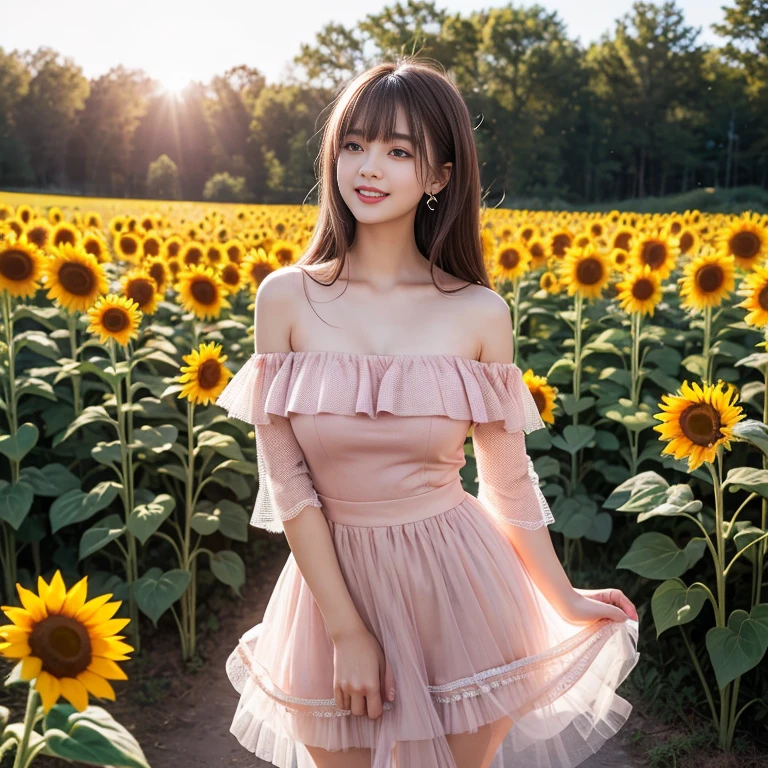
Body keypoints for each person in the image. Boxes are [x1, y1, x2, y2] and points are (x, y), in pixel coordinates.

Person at [217, 57, 640, 768]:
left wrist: (563, 598)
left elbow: (506, 484)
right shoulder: (285, 298)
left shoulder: (478, 312)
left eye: (398, 149)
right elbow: (289, 485)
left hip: (460, 585)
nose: (367, 167)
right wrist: (348, 629)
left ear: (439, 175)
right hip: (330, 593)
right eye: (353, 145)